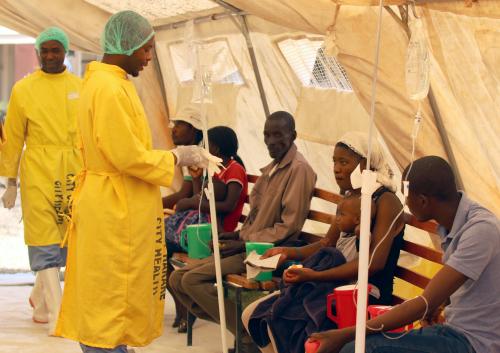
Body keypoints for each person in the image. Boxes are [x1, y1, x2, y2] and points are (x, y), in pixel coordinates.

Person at [53, 11, 218, 353]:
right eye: (146, 49)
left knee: (107, 297)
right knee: (111, 298)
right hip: (113, 207)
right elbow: (125, 156)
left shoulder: (108, 83)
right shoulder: (109, 89)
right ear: (125, 45)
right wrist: (176, 156)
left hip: (109, 200)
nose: (147, 58)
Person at [311, 155, 500, 353]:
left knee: (358, 348)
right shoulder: (454, 222)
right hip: (455, 332)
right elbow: (454, 288)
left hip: (475, 343)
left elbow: (424, 303)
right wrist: (437, 307)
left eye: (407, 195)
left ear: (423, 201)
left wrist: (345, 334)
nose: (406, 202)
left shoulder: (480, 230)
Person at [242, 131, 405, 353]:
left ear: (365, 164)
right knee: (252, 314)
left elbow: (372, 265)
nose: (336, 168)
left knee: (281, 321)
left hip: (363, 294)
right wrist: (287, 252)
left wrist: (315, 276)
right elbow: (326, 244)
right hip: (332, 284)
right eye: (335, 161)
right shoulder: (350, 197)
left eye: (344, 162)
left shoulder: (386, 201)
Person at [169, 111, 317, 351]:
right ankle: (243, 329)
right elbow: (257, 218)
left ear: (293, 136)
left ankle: (246, 334)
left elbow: (288, 227)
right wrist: (238, 235)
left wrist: (245, 241)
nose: (271, 141)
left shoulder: (298, 169)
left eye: (278, 135)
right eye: (267, 135)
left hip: (264, 254)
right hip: (246, 245)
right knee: (177, 279)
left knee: (192, 280)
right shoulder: (273, 168)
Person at [0, 27, 82, 335]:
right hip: (37, 168)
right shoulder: (24, 89)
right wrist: (10, 182)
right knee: (43, 234)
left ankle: (39, 297)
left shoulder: (81, 86)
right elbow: (13, 137)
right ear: (37, 53)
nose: (49, 56)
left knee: (69, 235)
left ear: (65, 52)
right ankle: (58, 315)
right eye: (44, 50)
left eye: (55, 50)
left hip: (74, 169)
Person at [165, 125, 248, 333]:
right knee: (160, 243)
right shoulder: (213, 167)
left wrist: (193, 203)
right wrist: (196, 179)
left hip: (221, 229)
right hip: (206, 224)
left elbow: (227, 204)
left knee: (163, 241)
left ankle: (186, 309)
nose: (204, 148)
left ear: (217, 148)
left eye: (206, 145)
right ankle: (183, 306)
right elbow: (200, 196)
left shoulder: (234, 169)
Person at [162, 103, 204, 210]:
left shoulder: (197, 152)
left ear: (192, 128)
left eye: (178, 125)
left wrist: (153, 205)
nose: (173, 130)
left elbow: (184, 194)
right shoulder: (192, 150)